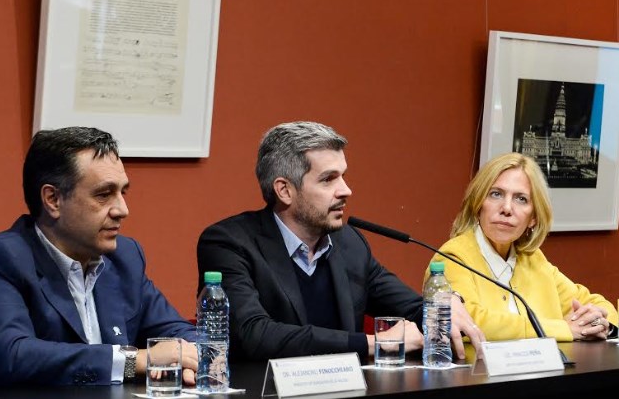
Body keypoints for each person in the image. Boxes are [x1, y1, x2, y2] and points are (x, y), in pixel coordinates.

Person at [197, 121, 484, 362]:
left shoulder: (348, 243)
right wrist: (374, 343)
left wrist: (443, 304)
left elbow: (410, 306)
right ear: (284, 191)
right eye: (328, 179)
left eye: (343, 176)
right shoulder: (228, 243)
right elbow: (254, 334)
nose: (346, 190)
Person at [0, 127, 198, 386]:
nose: (122, 210)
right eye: (104, 195)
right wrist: (135, 360)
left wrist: (188, 358)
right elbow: (12, 355)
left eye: (123, 192)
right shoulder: (7, 258)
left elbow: (180, 331)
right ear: (53, 199)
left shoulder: (125, 257)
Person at [427, 152, 617, 342]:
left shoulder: (532, 259)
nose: (507, 208)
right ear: (478, 205)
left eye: (521, 199)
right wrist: (564, 329)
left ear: (533, 218)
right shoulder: (453, 257)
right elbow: (467, 321)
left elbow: (597, 304)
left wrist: (596, 322)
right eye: (496, 194)